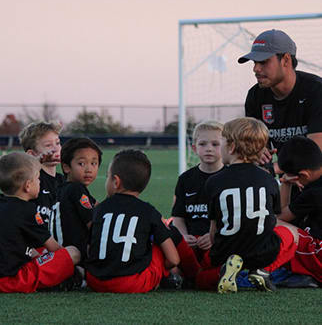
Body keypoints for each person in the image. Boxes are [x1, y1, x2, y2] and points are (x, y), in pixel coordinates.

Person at [205, 117, 298, 293]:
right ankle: (262, 271)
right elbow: (273, 219)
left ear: (231, 147)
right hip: (261, 252)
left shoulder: (213, 181)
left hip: (225, 250)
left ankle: (226, 269)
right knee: (291, 234)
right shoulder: (269, 180)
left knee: (201, 279)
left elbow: (213, 229)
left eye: (221, 142)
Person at [85, 149, 180, 293]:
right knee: (157, 246)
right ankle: (167, 278)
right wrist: (161, 269)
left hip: (95, 281)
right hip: (132, 283)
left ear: (116, 182)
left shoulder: (98, 209)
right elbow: (174, 260)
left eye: (107, 177)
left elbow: (89, 248)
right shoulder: (149, 212)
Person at [238, 29, 322, 168]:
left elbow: (315, 153)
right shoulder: (255, 96)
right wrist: (258, 152)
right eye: (254, 62)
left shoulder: (316, 91)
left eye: (263, 62)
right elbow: (253, 147)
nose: (256, 68)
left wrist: (275, 168)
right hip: (287, 178)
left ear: (286, 60)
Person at [0, 152, 80, 293]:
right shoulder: (28, 211)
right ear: (28, 186)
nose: (40, 182)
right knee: (72, 252)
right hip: (14, 280)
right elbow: (54, 248)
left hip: (7, 269)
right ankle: (64, 281)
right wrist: (65, 264)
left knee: (36, 252)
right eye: (38, 178)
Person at [172, 121, 224, 260]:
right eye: (203, 144)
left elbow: (236, 219)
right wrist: (183, 237)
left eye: (215, 144)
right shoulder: (185, 179)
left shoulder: (230, 178)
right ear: (194, 148)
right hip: (191, 242)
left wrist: (214, 235)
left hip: (220, 241)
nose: (209, 149)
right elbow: (178, 217)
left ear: (226, 147)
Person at [277, 136, 322, 284]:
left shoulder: (314, 193)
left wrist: (285, 183)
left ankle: (304, 272)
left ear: (303, 175)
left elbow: (281, 216)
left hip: (319, 256)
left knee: (272, 223)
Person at [50, 137, 102, 262]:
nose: (89, 169)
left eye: (94, 163)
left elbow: (99, 206)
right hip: (75, 255)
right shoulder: (76, 189)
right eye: (81, 164)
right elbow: (94, 224)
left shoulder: (63, 188)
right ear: (67, 167)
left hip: (61, 252)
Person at [19, 121, 65, 227]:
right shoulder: (30, 183)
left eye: (57, 143)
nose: (56, 149)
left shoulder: (63, 180)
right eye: (48, 145)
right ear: (32, 154)